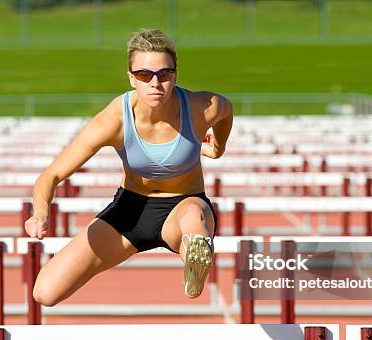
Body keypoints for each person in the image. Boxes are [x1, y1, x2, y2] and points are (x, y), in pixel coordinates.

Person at [24, 28, 233, 306]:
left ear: (176, 75)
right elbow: (52, 175)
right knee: (45, 292)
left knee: (194, 217)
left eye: (164, 74)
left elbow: (225, 110)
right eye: (145, 75)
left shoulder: (199, 108)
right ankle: (193, 251)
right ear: (131, 78)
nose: (155, 83)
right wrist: (39, 214)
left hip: (182, 205)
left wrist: (216, 148)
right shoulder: (114, 120)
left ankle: (194, 261)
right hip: (130, 212)